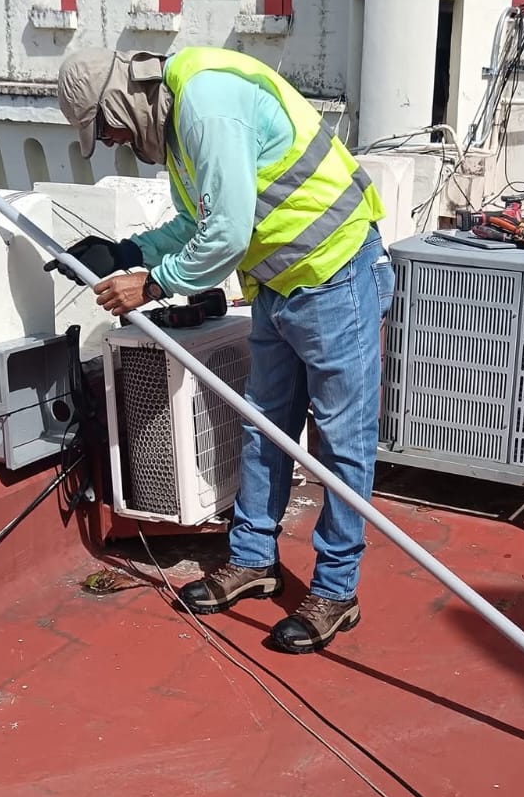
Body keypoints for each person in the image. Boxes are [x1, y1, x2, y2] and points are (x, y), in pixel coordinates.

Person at [57, 46, 392, 654]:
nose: (111, 143)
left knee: (342, 444)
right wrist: (126, 254)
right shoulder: (184, 122)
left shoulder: (206, 107)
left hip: (336, 272)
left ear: (119, 103)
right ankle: (253, 559)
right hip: (279, 284)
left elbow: (228, 234)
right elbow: (196, 224)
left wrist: (152, 285)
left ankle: (337, 592)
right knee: (264, 429)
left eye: (104, 129)